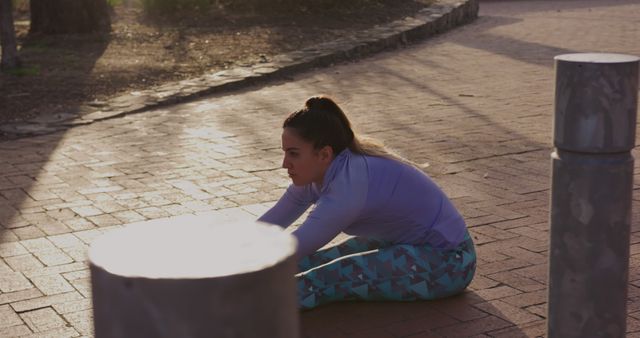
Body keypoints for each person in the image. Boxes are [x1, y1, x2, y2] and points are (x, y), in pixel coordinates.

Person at [258, 96, 476, 310]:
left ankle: (242, 307)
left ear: (324, 154)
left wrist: (238, 275)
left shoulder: (349, 183)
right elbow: (267, 227)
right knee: (315, 261)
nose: (285, 163)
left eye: (293, 154)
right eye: (285, 153)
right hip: (403, 243)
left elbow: (298, 245)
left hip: (451, 263)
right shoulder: (318, 172)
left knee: (329, 275)